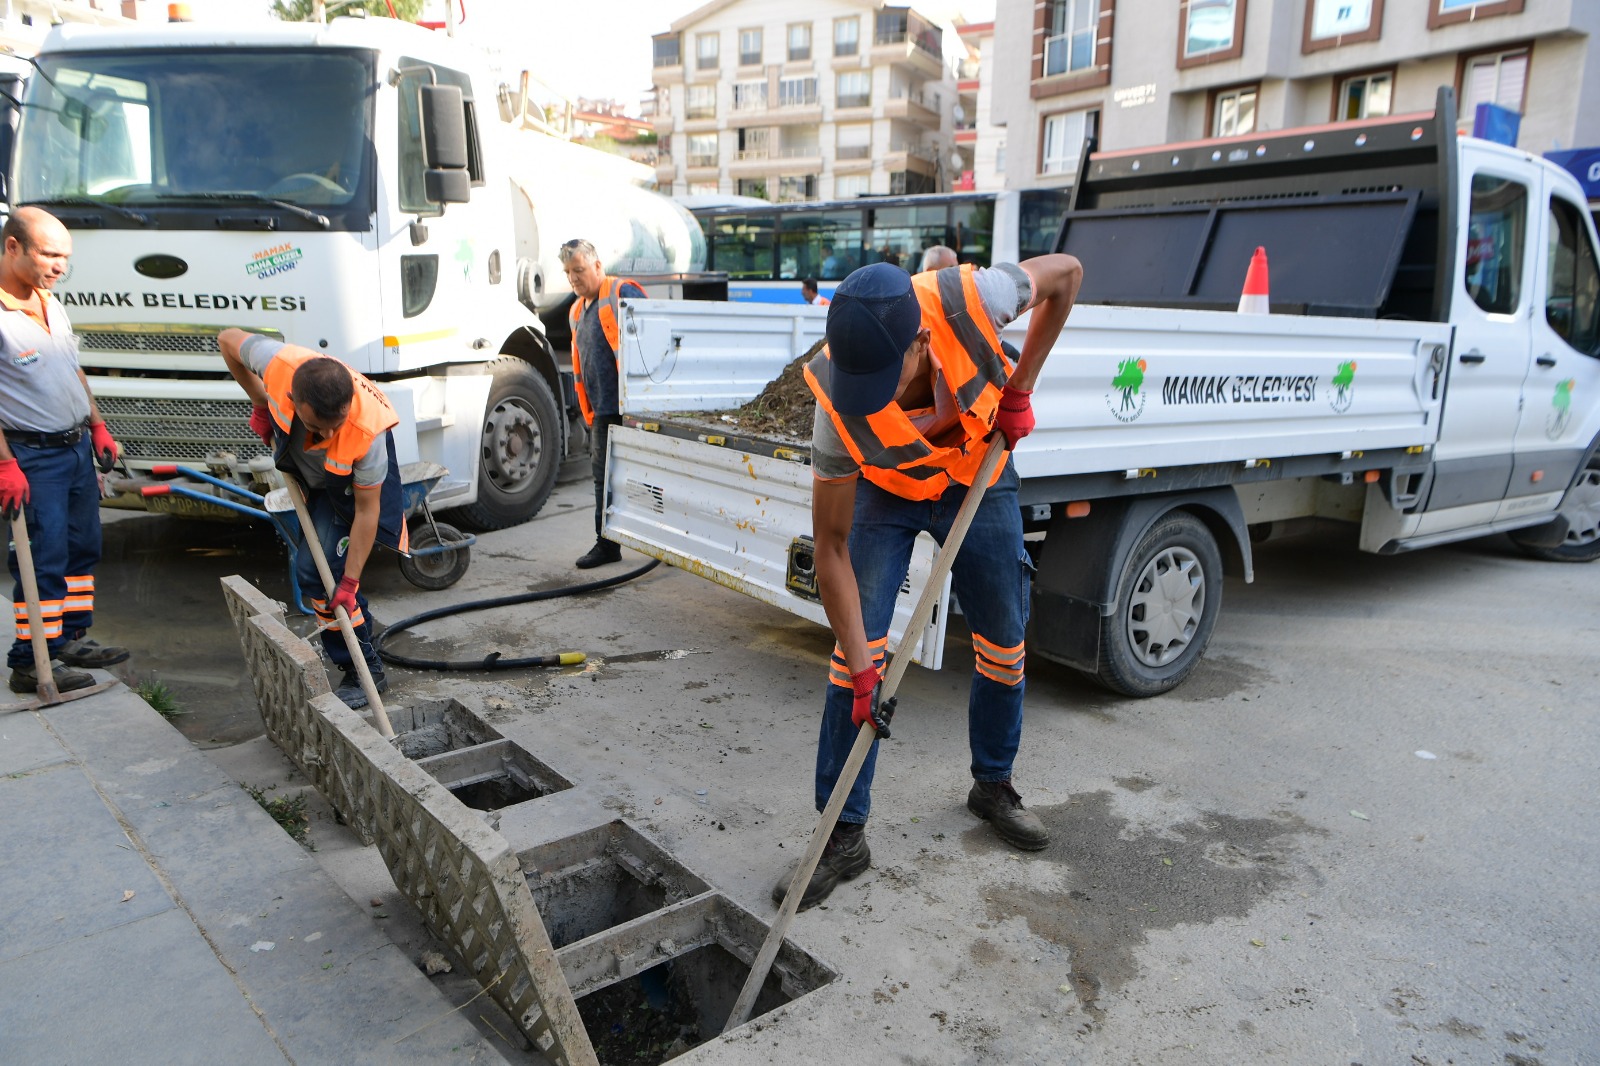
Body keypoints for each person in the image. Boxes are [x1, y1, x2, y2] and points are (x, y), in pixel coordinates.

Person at [777, 252, 1083, 909]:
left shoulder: (973, 298)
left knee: (1003, 640)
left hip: (980, 472)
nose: (874, 398)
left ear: (920, 339)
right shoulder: (838, 400)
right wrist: (865, 675)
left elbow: (1067, 275)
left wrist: (1020, 387)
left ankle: (992, 783)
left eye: (885, 379)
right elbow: (829, 548)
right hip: (887, 494)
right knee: (853, 653)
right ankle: (843, 833)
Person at [219, 328, 408, 709]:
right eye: (317, 426)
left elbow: (367, 513)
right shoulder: (276, 363)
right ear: (293, 398)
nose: (327, 435)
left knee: (323, 576)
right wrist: (259, 403)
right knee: (316, 576)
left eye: (334, 426)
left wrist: (351, 582)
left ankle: (365, 670)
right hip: (316, 480)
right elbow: (226, 339)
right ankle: (356, 658)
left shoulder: (364, 434)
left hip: (349, 490)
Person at [0, 207, 130, 694]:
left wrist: (97, 425)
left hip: (74, 447)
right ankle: (30, 661)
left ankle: (70, 637)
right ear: (13, 247)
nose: (59, 266)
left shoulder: (49, 300)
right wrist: (6, 465)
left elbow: (72, 369)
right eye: (49, 254)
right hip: (32, 457)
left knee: (82, 548)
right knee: (43, 557)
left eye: (65, 257)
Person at [561, 238, 647, 569]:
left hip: (634, 408)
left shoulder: (621, 293)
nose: (573, 278)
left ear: (598, 266)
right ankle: (607, 544)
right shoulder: (576, 310)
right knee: (604, 478)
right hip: (603, 409)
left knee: (649, 475)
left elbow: (650, 343)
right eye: (568, 272)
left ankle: (668, 542)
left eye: (579, 270)